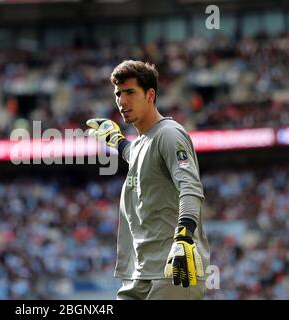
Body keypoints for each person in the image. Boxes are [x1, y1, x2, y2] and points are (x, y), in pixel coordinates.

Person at [86, 60, 210, 300]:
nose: (122, 101)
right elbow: (134, 153)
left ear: (150, 95)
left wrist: (184, 237)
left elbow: (190, 187)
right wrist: (117, 141)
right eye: (118, 93)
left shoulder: (169, 134)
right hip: (140, 273)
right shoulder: (144, 142)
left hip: (173, 270)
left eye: (130, 92)